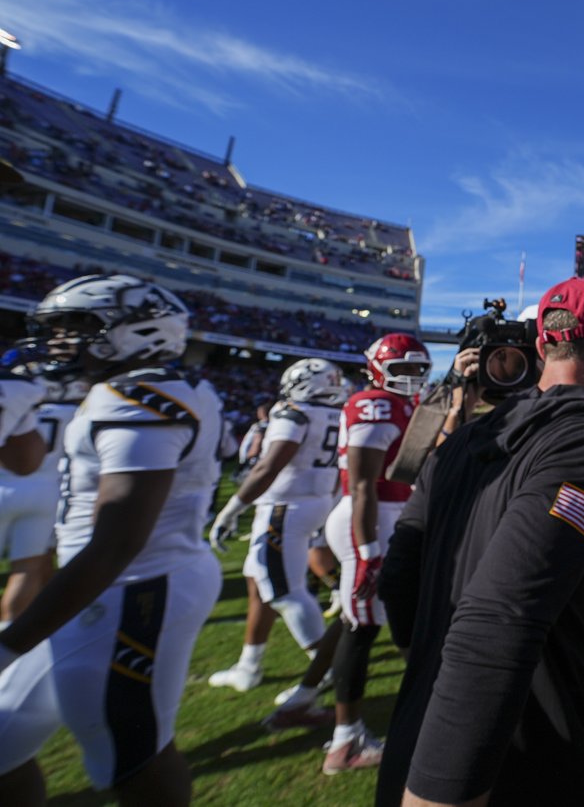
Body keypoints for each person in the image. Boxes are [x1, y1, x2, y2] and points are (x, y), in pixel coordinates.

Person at [375, 277, 584, 807]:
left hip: (421, 725)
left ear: (541, 347)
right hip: (510, 757)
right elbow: (500, 618)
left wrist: (426, 659)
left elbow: (399, 571)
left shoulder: (463, 441)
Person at [0, 274, 223, 806]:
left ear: (137, 331)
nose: (59, 343)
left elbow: (116, 541)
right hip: (109, 586)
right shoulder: (151, 387)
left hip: (136, 588)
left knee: (132, 759)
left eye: (74, 328)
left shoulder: (140, 395)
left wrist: (8, 642)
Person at [206, 358, 348, 731]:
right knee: (259, 585)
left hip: (285, 508)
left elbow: (268, 466)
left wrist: (232, 509)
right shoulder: (337, 414)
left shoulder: (294, 413)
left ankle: (327, 669)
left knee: (285, 592)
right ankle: (249, 666)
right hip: (310, 503)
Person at [319, 332, 429, 775]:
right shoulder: (372, 403)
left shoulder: (402, 404)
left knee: (382, 620)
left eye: (418, 369)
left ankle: (308, 697)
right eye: (401, 369)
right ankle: (345, 743)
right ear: (377, 368)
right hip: (369, 521)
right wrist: (367, 553)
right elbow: (363, 484)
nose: (411, 378)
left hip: (389, 517)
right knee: (360, 628)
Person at [0, 375, 84, 626]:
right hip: (45, 489)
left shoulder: (16, 399)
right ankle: (9, 636)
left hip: (5, 481)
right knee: (27, 568)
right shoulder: (80, 411)